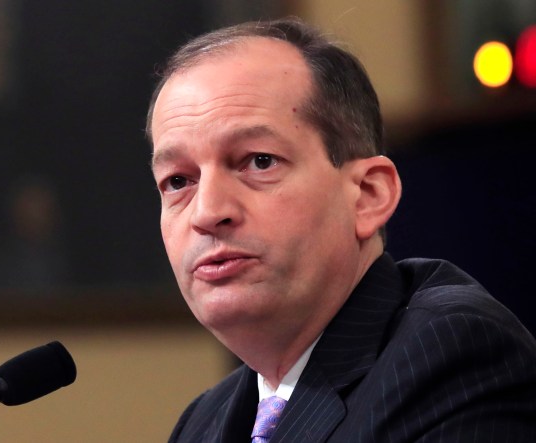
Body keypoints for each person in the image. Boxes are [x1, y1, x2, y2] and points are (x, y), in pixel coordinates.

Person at [146, 17, 536, 442]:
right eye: (178, 181)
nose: (207, 212)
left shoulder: (452, 355)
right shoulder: (202, 423)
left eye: (259, 161)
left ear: (368, 195)